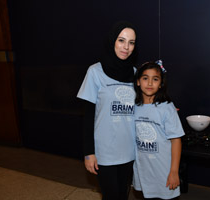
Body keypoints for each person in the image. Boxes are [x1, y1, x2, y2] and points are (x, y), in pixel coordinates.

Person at [77, 21, 138, 200]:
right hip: (105, 152)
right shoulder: (95, 72)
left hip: (128, 150)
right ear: (112, 41)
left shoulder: (135, 73)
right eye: (121, 40)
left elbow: (140, 109)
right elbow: (87, 116)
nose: (126, 47)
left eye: (131, 42)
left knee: (122, 195)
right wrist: (89, 153)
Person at [132, 61, 185, 200]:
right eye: (145, 78)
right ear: (138, 81)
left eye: (155, 79)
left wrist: (174, 171)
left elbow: (176, 140)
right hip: (143, 169)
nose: (150, 83)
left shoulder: (166, 108)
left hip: (163, 170)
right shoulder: (134, 107)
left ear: (161, 84)